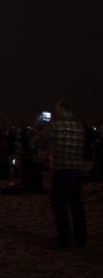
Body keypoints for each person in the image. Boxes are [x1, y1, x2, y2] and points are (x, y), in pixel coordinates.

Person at [44, 99, 87, 248]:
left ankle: (65, 238)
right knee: (77, 205)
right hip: (76, 171)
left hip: (61, 170)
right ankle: (81, 239)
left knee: (59, 205)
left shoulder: (55, 127)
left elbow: (38, 141)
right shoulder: (79, 127)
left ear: (61, 110)